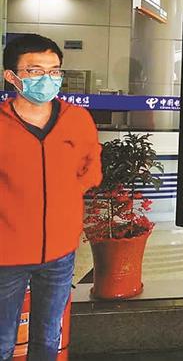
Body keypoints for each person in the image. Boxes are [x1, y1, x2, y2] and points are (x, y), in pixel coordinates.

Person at [0, 34, 102, 361]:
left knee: (48, 338)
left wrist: (64, 198)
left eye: (54, 70)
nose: (47, 78)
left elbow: (91, 167)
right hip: (6, 255)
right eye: (34, 71)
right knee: (2, 341)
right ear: (11, 76)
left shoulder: (77, 119)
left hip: (59, 253)